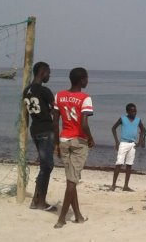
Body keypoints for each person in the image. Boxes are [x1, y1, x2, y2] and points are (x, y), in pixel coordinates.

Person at [53, 67, 95, 229]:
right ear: (82, 80)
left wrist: (56, 143)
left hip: (63, 139)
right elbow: (84, 124)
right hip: (78, 142)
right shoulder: (85, 98)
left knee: (71, 178)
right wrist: (90, 138)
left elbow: (55, 122)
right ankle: (62, 218)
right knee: (72, 181)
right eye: (87, 78)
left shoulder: (59, 96)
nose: (88, 81)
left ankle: (78, 216)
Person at [23, 61, 56, 211]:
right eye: (48, 72)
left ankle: (36, 199)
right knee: (47, 166)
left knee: (45, 165)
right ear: (42, 72)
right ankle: (41, 201)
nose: (49, 75)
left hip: (35, 129)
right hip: (45, 130)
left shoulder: (26, 90)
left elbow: (28, 113)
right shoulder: (44, 91)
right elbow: (55, 111)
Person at [110, 103, 146, 192]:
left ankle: (126, 186)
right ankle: (113, 185)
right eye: (132, 111)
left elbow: (143, 130)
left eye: (135, 111)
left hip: (132, 145)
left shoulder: (138, 120)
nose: (134, 112)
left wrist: (140, 141)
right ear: (127, 111)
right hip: (123, 144)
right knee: (119, 163)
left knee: (129, 165)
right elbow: (113, 128)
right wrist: (117, 142)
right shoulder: (123, 119)